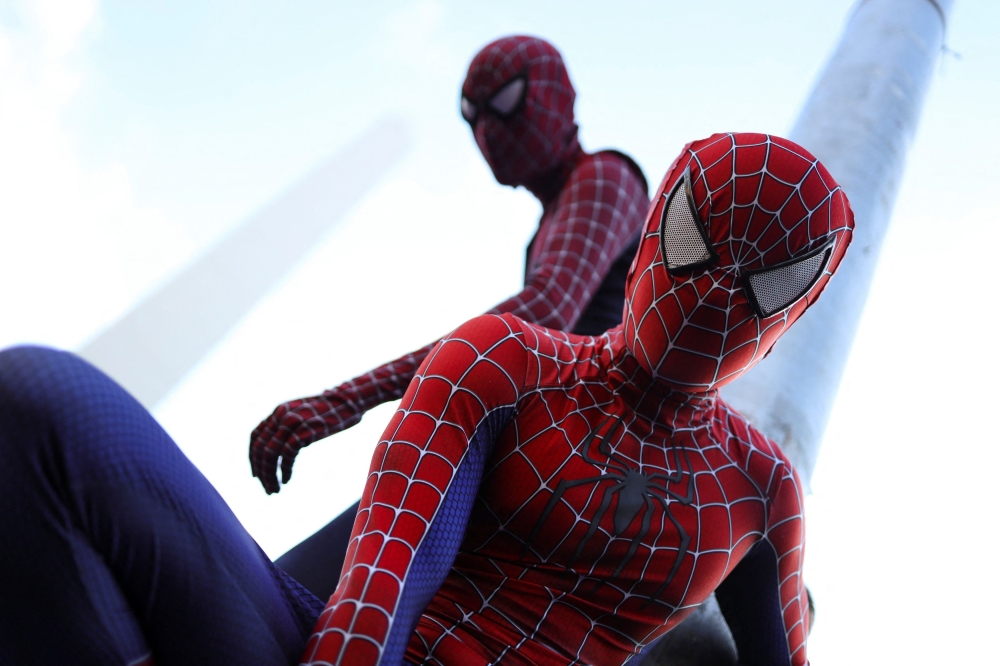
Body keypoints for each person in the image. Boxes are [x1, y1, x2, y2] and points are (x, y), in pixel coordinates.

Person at [0, 132, 853, 666]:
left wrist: (341, 400)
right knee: (40, 405)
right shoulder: (504, 361)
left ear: (793, 316)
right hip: (352, 638)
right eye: (695, 246)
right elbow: (388, 573)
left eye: (765, 282)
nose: (713, 295)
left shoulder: (763, 489)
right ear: (650, 246)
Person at [252, 35, 650, 600]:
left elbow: (543, 309)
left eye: (506, 101)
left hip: (578, 472)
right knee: (329, 587)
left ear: (559, 97)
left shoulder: (606, 177)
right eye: (471, 113)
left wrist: (346, 399)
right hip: (538, 460)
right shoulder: (559, 213)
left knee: (307, 588)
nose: (486, 130)